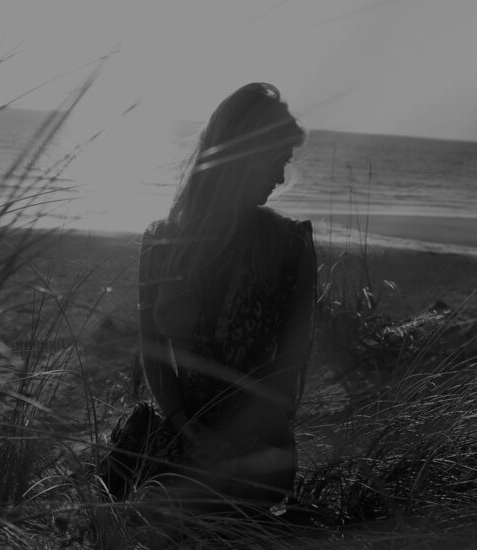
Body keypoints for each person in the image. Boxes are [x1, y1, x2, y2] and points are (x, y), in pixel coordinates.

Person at [134, 82, 316, 513]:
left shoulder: (290, 246)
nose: (280, 178)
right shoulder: (162, 242)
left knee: (176, 512)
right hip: (182, 429)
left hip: (257, 446)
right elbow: (153, 353)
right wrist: (187, 429)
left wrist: (228, 442)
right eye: (276, 160)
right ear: (244, 154)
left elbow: (290, 366)